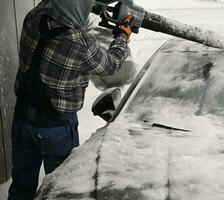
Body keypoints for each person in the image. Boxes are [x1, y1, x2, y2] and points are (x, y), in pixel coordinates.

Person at [8, 0, 133, 199]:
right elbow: (111, 65)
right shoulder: (80, 42)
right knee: (62, 190)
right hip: (56, 127)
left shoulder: (34, 16)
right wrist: (122, 37)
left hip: (22, 120)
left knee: (21, 187)